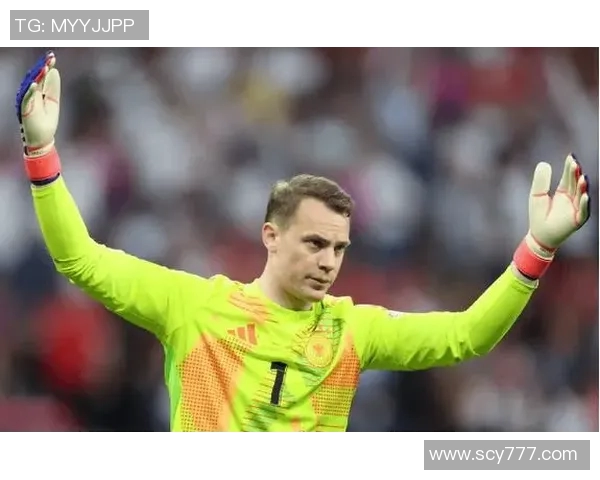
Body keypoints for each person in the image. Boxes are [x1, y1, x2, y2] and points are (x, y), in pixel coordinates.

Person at [15, 51, 591, 432]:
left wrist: (538, 248)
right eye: (315, 244)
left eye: (339, 249)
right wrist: (41, 150)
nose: (328, 262)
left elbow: (468, 335)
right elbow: (77, 257)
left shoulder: (352, 331)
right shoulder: (192, 308)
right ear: (271, 236)